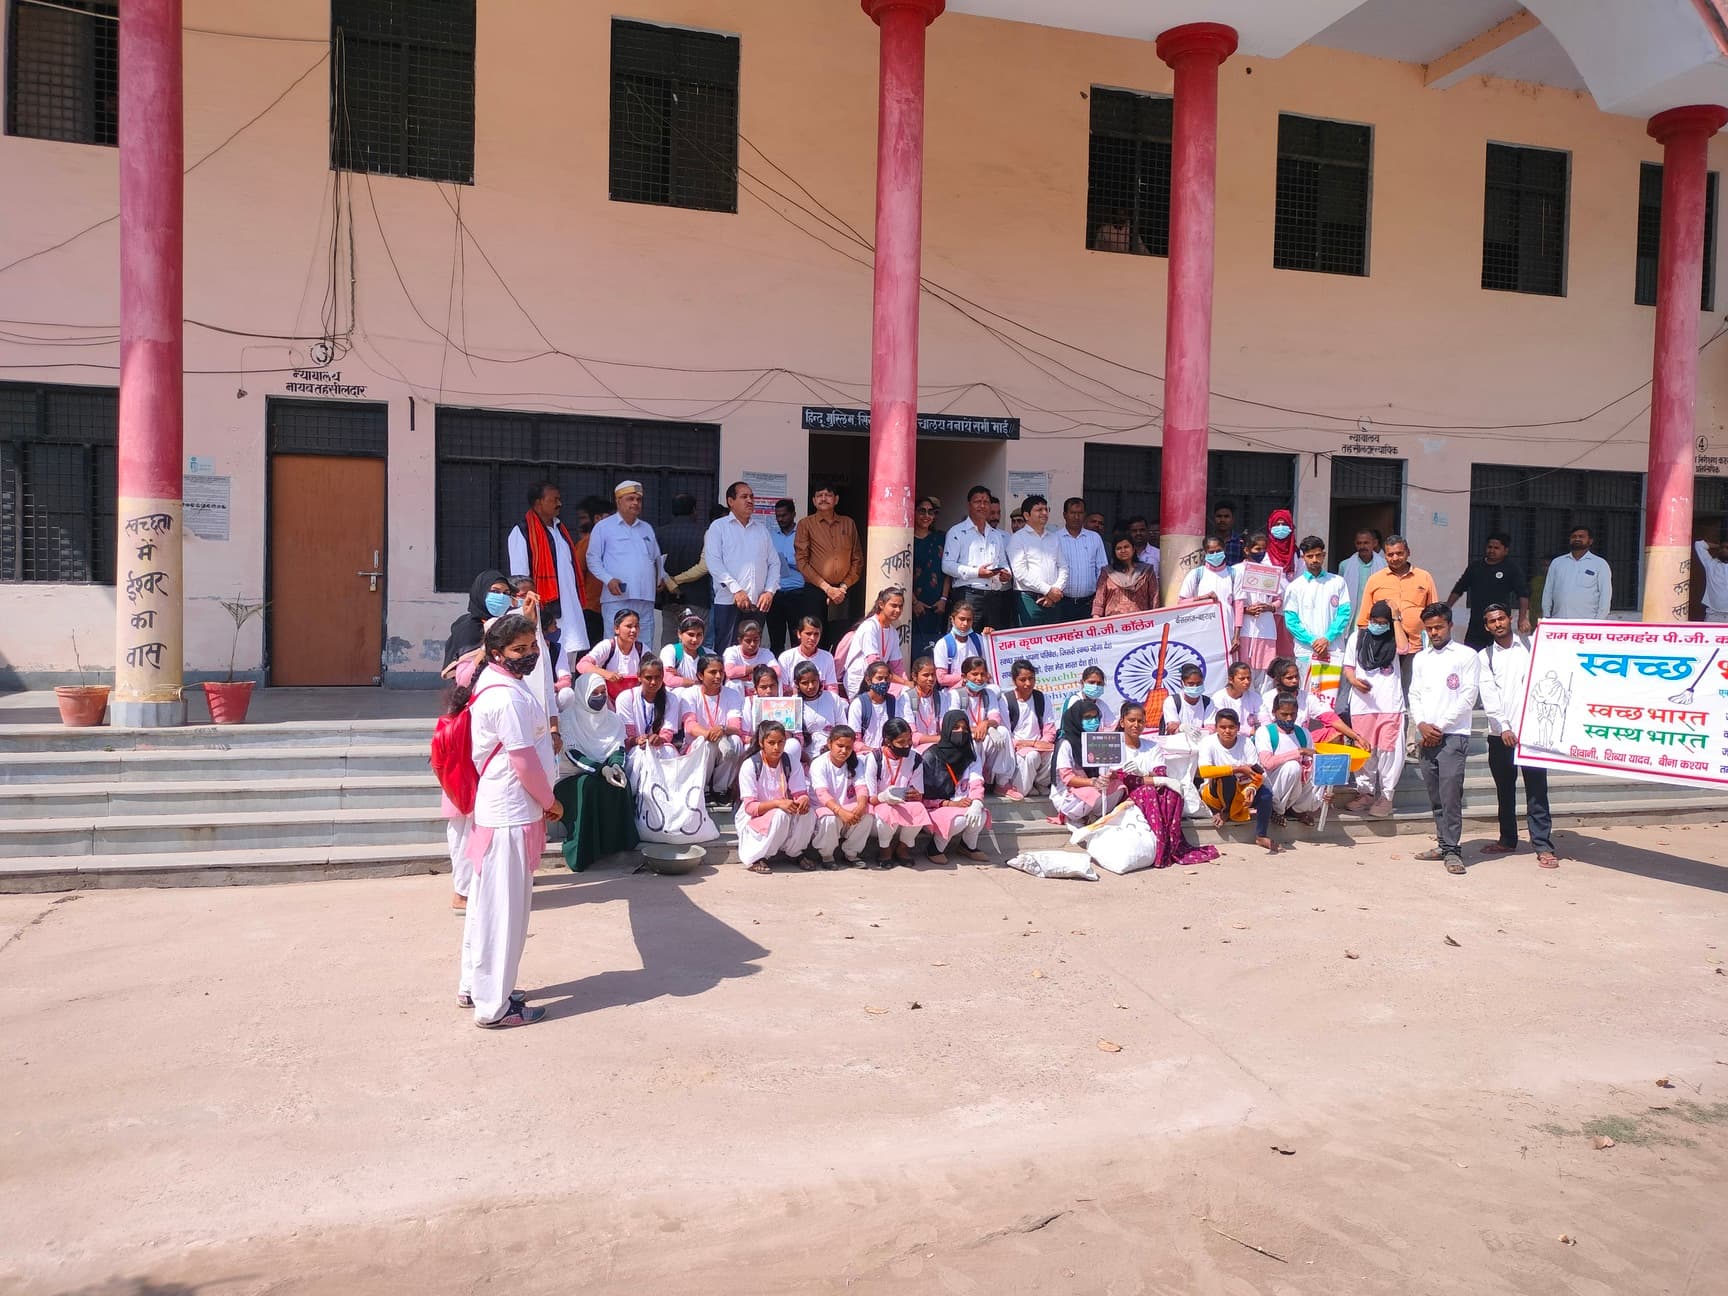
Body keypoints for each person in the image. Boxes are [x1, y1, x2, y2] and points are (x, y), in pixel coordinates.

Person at [453, 613, 554, 1029]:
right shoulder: (507, 697)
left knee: (486, 907)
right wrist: (551, 802)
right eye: (518, 649)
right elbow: (523, 761)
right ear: (497, 653)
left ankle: (476, 987)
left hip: (499, 813)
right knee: (504, 913)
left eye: (531, 647)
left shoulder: (497, 682)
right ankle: (495, 1007)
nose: (528, 655)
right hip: (509, 814)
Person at [1477, 604, 1559, 868]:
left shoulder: (1531, 645)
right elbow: (1489, 695)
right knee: (1505, 791)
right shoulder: (1485, 656)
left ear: (1510, 619)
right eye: (1492, 621)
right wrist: (1503, 727)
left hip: (1532, 734)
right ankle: (1507, 839)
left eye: (1501, 618)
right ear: (1486, 626)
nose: (1498, 624)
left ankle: (1543, 846)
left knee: (1537, 791)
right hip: (1500, 735)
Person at [1408, 603, 1480, 875]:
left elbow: (1468, 696)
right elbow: (1414, 694)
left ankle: (1453, 850)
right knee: (1436, 795)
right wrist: (1422, 724)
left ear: (1450, 625)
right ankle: (1442, 843)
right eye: (1429, 629)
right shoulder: (1421, 658)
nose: (1434, 633)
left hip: (1453, 735)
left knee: (1451, 795)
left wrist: (1439, 726)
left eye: (1438, 627)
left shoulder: (1466, 655)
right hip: (1426, 734)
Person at [552, 672, 635, 874]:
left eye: (603, 692)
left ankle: (618, 846)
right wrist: (602, 770)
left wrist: (616, 767)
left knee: (621, 783)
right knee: (588, 786)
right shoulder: (567, 719)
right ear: (582, 694)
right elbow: (573, 754)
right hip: (570, 777)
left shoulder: (613, 720)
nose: (600, 697)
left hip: (601, 772)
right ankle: (582, 853)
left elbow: (617, 748)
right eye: (594, 693)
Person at [1120, 701, 1221, 866]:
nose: (1136, 725)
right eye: (1131, 720)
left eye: (1140, 721)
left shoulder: (1151, 746)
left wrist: (1143, 775)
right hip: (1124, 793)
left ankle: (1170, 846)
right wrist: (1146, 778)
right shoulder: (1116, 746)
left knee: (1173, 793)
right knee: (1148, 792)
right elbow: (1123, 778)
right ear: (1122, 722)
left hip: (1151, 789)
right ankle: (1160, 848)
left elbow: (1161, 773)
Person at [505, 481, 587, 668]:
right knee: (546, 660)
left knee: (568, 658)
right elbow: (520, 580)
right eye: (554, 500)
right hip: (545, 609)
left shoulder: (560, 530)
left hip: (570, 608)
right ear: (538, 502)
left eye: (560, 499)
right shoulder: (522, 531)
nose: (560, 504)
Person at [586, 480, 674, 651]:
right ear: (618, 501)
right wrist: (608, 579)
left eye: (638, 499)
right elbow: (592, 559)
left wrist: (661, 577)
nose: (635, 503)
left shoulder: (646, 528)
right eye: (630, 499)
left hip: (645, 596)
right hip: (617, 597)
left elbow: (656, 558)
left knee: (644, 644)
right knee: (615, 644)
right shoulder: (604, 527)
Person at [1339, 600, 1406, 818]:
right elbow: (1348, 666)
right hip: (1362, 705)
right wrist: (1354, 681)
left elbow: (1404, 648)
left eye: (1383, 622)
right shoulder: (1357, 637)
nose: (1378, 625)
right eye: (1375, 621)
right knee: (1365, 750)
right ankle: (1365, 793)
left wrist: (1396, 618)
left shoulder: (1394, 636)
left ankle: (1386, 796)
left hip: (1390, 705)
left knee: (1389, 751)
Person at [704, 482, 781, 653]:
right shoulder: (719, 527)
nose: (750, 500)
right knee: (727, 652)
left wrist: (769, 591)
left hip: (757, 603)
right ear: (731, 501)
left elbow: (774, 563)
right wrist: (736, 590)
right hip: (728, 601)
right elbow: (713, 562)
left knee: (752, 652)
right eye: (744, 497)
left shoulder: (761, 530)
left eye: (751, 497)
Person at [1357, 535, 1438, 695]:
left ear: (1408, 552)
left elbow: (1434, 614)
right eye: (1390, 554)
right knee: (1385, 694)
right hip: (1384, 648)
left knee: (1414, 692)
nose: (1395, 558)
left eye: (1399, 553)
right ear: (1385, 556)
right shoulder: (1375, 580)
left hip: (1416, 648)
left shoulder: (1424, 577)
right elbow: (1364, 620)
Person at [791, 480, 863, 652]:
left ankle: (835, 669)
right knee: (814, 637)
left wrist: (842, 588)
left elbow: (857, 559)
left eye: (828, 495)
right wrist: (827, 588)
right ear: (814, 500)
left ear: (836, 499)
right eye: (819, 495)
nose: (824, 498)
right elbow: (802, 561)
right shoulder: (805, 524)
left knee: (841, 639)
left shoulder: (848, 523)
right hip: (815, 591)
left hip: (842, 592)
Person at [737, 721, 814, 873]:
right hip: (755, 815)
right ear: (761, 743)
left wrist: (803, 800)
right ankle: (757, 857)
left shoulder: (791, 761)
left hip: (784, 808)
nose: (776, 747)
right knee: (780, 814)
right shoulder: (750, 765)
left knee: (809, 813)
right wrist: (778, 803)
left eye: (781, 742)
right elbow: (750, 807)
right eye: (771, 743)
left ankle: (795, 852)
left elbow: (800, 793)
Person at [1196, 708, 1276, 852]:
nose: (1227, 731)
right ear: (1216, 728)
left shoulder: (1246, 743)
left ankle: (1261, 835)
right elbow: (1204, 771)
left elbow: (1257, 772)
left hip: (1242, 789)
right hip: (1216, 792)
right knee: (1227, 777)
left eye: (1231, 727)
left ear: (1238, 727)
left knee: (1265, 795)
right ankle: (1225, 812)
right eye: (1223, 727)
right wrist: (1237, 769)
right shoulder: (1208, 742)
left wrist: (1252, 788)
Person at [921, 710, 992, 863]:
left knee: (980, 814)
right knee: (959, 820)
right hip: (935, 807)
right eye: (956, 727)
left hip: (961, 804)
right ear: (946, 729)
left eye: (964, 728)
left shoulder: (970, 756)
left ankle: (968, 846)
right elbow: (924, 796)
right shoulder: (930, 756)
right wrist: (950, 804)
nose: (961, 732)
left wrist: (977, 802)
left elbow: (976, 782)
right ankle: (934, 848)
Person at [942, 485, 1013, 631]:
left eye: (986, 502)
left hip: (993, 596)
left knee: (990, 640)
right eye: (977, 502)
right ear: (969, 505)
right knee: (965, 637)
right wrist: (977, 573)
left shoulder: (996, 535)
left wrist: (1006, 574)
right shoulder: (957, 532)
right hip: (968, 595)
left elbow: (1002, 562)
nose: (982, 506)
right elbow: (947, 565)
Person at [1447, 533, 1531, 649]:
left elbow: (1523, 595)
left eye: (1496, 548)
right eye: (1489, 547)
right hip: (1477, 622)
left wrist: (1522, 618)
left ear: (1506, 550)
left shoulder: (1512, 568)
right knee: (1472, 653)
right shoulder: (1475, 567)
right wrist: (1447, 608)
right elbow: (1459, 588)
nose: (1492, 550)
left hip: (1499, 622)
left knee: (1501, 652)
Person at [680, 654, 746, 799]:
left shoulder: (732, 694)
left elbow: (736, 727)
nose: (718, 676)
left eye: (721, 672)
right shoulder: (689, 694)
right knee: (707, 744)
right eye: (713, 672)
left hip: (724, 741)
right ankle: (703, 789)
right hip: (698, 743)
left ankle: (721, 789)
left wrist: (722, 729)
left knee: (736, 741)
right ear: (700, 675)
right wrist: (711, 735)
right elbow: (690, 726)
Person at [944, 655, 1013, 795]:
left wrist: (986, 723)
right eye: (974, 674)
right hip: (963, 735)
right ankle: (973, 783)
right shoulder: (955, 695)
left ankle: (1002, 783)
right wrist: (977, 729)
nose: (979, 678)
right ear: (964, 677)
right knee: (972, 741)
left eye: (982, 674)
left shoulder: (989, 694)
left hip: (983, 733)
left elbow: (995, 718)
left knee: (1003, 732)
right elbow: (955, 724)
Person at [865, 719, 931, 866]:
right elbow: (871, 798)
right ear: (888, 741)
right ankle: (885, 849)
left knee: (919, 809)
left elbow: (919, 794)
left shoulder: (915, 758)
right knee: (888, 811)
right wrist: (884, 797)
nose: (907, 746)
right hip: (880, 807)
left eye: (909, 740)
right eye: (901, 742)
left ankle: (903, 848)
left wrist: (915, 795)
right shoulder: (875, 758)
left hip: (904, 804)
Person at [808, 725, 873, 869]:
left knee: (867, 814)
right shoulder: (819, 763)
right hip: (823, 808)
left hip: (846, 807)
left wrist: (861, 805)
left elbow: (861, 788)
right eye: (840, 746)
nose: (844, 751)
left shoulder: (856, 763)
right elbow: (822, 794)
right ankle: (827, 855)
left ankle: (851, 853)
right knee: (829, 818)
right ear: (829, 743)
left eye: (848, 747)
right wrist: (840, 811)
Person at [1254, 693, 1321, 828]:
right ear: (1274, 712)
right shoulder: (1265, 732)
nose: (1289, 718)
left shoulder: (1303, 733)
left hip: (1297, 781)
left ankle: (1297, 809)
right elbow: (1267, 763)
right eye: (1284, 714)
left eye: (1293, 714)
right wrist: (1298, 752)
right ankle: (1275, 809)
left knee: (1320, 768)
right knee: (1292, 767)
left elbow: (1310, 760)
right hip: (1272, 781)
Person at [1284, 536, 1352, 669]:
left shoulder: (1338, 582)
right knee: (1305, 683)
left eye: (1318, 555)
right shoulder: (1294, 586)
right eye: (1310, 556)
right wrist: (1312, 641)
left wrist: (1327, 638)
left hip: (1334, 649)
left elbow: (1344, 614)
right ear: (1303, 558)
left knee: (1332, 684)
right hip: (1306, 651)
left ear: (1324, 555)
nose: (1314, 560)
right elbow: (1291, 621)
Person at [616, 657, 686, 786]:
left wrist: (659, 739)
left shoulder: (671, 699)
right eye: (648, 678)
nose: (653, 682)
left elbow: (667, 733)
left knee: (668, 751)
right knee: (641, 755)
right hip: (634, 749)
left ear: (663, 677)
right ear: (639, 677)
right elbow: (626, 737)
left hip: (659, 746)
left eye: (658, 678)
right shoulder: (626, 698)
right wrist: (637, 740)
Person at [1051, 697, 1118, 828]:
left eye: (1096, 717)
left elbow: (1104, 769)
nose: (1093, 721)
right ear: (1076, 719)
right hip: (1068, 792)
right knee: (1091, 792)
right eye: (1087, 718)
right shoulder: (1066, 744)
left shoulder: (1098, 740)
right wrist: (1092, 782)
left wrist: (1109, 776)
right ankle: (1072, 816)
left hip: (1092, 786)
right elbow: (1067, 778)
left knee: (1118, 787)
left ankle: (1095, 814)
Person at [1007, 494, 1068, 627]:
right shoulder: (1018, 538)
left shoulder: (1053, 537)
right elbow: (1020, 572)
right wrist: (1048, 590)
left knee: (1052, 637)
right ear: (1027, 515)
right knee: (1028, 638)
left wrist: (1055, 591)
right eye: (1039, 510)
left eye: (1046, 509)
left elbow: (1063, 566)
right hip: (1028, 599)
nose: (1044, 513)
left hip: (1053, 599)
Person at [1230, 531, 1281, 688]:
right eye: (1257, 549)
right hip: (1245, 629)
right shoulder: (1236, 570)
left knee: (1266, 671)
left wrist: (1270, 607)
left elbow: (1279, 599)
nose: (1261, 552)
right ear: (1247, 550)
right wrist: (1246, 610)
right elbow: (1230, 601)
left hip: (1267, 629)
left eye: (1264, 549)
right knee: (1245, 669)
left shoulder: (1271, 571)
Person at [656, 494, 706, 648]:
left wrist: (670, 582)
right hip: (697, 597)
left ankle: (667, 665)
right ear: (694, 510)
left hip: (669, 598)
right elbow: (704, 566)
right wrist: (676, 580)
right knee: (694, 642)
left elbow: (654, 565)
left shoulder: (659, 533)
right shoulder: (704, 533)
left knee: (669, 643)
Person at [841, 587, 908, 696]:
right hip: (860, 681)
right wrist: (904, 682)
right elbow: (874, 664)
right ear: (881, 604)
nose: (898, 610)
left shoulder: (893, 632)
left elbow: (898, 666)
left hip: (881, 679)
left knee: (908, 692)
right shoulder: (869, 627)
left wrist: (907, 683)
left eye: (900, 607)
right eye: (894, 606)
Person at [1004, 658, 1055, 799]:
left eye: (1031, 679)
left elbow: (1049, 730)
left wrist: (1037, 744)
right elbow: (1005, 733)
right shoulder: (1006, 700)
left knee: (1055, 753)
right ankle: (1024, 788)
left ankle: (1040, 783)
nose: (1028, 683)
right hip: (1017, 749)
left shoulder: (1042, 698)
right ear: (1014, 681)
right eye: (1023, 680)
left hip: (1038, 745)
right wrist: (1023, 745)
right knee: (1032, 756)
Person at [444, 569, 510, 670]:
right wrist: (485, 647)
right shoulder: (468, 628)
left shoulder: (506, 624)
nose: (502, 597)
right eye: (495, 591)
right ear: (480, 593)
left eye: (506, 593)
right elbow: (464, 676)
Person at [1541, 525, 1612, 620]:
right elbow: (1548, 591)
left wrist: (1599, 621)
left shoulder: (1600, 564)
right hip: (1559, 620)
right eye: (1574, 536)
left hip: (1588, 622)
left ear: (1590, 541)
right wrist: (1546, 615)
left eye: (1581, 536)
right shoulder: (1557, 562)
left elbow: (1605, 595)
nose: (1577, 539)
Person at [910, 495, 950, 660]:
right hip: (914, 605)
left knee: (937, 650)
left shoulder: (941, 539)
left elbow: (947, 571)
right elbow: (902, 573)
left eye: (930, 512)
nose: (926, 516)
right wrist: (914, 602)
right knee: (916, 650)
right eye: (922, 511)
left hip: (938, 605)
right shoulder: (907, 539)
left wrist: (943, 599)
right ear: (913, 512)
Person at [1057, 497, 1108, 621]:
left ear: (1084, 515)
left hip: (1089, 603)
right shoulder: (1055, 538)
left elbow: (1102, 570)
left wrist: (1099, 598)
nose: (1076, 517)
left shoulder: (1094, 538)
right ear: (1065, 515)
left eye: (1080, 513)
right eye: (1072, 513)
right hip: (1061, 603)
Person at [765, 498, 805, 654]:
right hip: (776, 592)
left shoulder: (802, 535)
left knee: (797, 637)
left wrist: (790, 561)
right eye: (778, 516)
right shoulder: (771, 536)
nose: (780, 519)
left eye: (784, 515)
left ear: (793, 514)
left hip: (797, 592)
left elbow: (809, 561)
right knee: (776, 639)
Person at [741, 664, 802, 766]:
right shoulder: (749, 703)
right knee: (747, 747)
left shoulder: (788, 703)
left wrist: (788, 735)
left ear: (778, 686)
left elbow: (799, 736)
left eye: (772, 686)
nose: (769, 691)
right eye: (763, 687)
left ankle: (785, 773)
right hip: (758, 745)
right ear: (756, 688)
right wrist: (762, 741)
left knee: (794, 744)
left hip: (782, 745)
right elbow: (744, 735)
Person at [570, 494, 610, 649]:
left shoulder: (590, 541)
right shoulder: (590, 541)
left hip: (596, 607)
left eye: (583, 518)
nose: (581, 523)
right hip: (594, 608)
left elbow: (576, 571)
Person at [576, 607, 644, 697]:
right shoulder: (608, 646)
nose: (634, 630)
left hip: (633, 699)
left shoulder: (642, 649)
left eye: (636, 626)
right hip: (606, 698)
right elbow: (582, 665)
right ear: (616, 629)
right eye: (629, 626)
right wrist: (606, 674)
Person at [1092, 533, 1157, 617]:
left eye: (1126, 547)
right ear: (1114, 552)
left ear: (1133, 549)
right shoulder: (1107, 572)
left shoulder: (1146, 571)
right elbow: (1099, 598)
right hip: (1113, 621)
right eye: (1119, 548)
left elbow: (1154, 597)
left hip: (1140, 621)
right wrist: (1096, 617)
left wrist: (1155, 618)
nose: (1123, 550)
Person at [788, 661, 842, 759]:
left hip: (831, 753)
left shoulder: (832, 698)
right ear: (796, 684)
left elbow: (842, 729)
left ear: (819, 680)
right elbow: (789, 736)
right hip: (803, 757)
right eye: (805, 683)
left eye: (814, 681)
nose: (811, 686)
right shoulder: (792, 702)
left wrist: (829, 746)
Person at [847, 659, 900, 754]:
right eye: (879, 678)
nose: (884, 682)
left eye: (886, 678)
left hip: (888, 754)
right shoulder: (858, 704)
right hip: (864, 754)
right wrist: (875, 752)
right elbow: (855, 741)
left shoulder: (893, 702)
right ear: (868, 680)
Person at [777, 615, 838, 696]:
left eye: (816, 634)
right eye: (808, 634)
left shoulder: (827, 657)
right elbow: (783, 690)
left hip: (821, 701)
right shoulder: (785, 657)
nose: (812, 638)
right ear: (799, 634)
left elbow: (832, 688)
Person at [931, 600, 986, 690]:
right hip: (953, 692)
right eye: (962, 619)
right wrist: (968, 678)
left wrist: (992, 637)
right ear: (952, 619)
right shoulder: (943, 644)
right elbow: (941, 678)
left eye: (969, 620)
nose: (965, 624)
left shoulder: (979, 640)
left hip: (979, 690)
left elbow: (989, 669)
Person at [903, 657, 947, 752]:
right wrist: (939, 739)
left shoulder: (941, 696)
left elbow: (944, 726)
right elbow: (912, 736)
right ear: (914, 676)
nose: (930, 679)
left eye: (933, 675)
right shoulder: (906, 698)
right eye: (926, 675)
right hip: (916, 748)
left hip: (939, 745)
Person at [1179, 535, 1236, 608]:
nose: (1215, 555)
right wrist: (1203, 598)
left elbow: (1238, 604)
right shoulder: (1196, 574)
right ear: (1205, 552)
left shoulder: (1233, 573)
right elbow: (1181, 602)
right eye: (1211, 552)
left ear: (1224, 550)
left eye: (1218, 551)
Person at [1338, 529, 1386, 615]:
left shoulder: (1384, 565)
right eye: (1359, 543)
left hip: (1375, 615)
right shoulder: (1345, 565)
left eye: (1366, 543)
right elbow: (1340, 592)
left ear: (1374, 543)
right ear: (1355, 544)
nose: (1362, 546)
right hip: (1352, 615)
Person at [723, 617, 778, 685]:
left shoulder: (765, 653)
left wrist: (747, 676)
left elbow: (777, 672)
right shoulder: (731, 651)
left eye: (756, 640)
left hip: (759, 688)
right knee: (733, 683)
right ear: (740, 640)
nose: (752, 644)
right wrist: (756, 668)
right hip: (738, 689)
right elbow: (730, 672)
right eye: (748, 641)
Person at [661, 610, 708, 689]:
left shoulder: (709, 654)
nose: (695, 639)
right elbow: (669, 680)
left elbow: (715, 682)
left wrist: (680, 677)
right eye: (691, 634)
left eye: (699, 635)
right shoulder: (670, 651)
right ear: (679, 634)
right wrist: (698, 683)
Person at [1211, 661, 1260, 736]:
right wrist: (1249, 731)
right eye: (1242, 679)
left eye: (1248, 678)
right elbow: (1224, 724)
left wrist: (1261, 731)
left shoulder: (1255, 697)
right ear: (1230, 680)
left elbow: (1264, 719)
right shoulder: (1218, 698)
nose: (1247, 682)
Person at [1062, 664, 1117, 730]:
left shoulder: (1101, 704)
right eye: (1091, 682)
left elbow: (1113, 726)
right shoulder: (1074, 700)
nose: (1096, 686)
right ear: (1082, 683)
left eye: (1099, 683)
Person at [1694, 535, 1728, 620]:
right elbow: (1699, 544)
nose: (1724, 550)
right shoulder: (1711, 564)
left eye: (1727, 548)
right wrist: (1719, 545)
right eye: (1722, 548)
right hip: (1713, 615)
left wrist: (1722, 546)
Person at [1127, 515, 1162, 584]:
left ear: (1147, 531)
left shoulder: (1158, 554)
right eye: (1134, 531)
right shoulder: (1124, 554)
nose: (1138, 533)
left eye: (1142, 530)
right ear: (1129, 533)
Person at [1263, 508, 1296, 577]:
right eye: (1277, 524)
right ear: (1270, 527)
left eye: (1284, 524)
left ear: (1290, 526)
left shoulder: (1297, 553)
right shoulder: (1263, 551)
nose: (1280, 527)